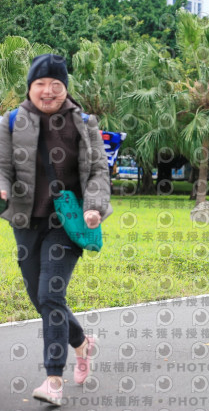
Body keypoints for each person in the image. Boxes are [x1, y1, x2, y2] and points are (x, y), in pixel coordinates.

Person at [0, 54, 112, 406]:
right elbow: (1, 166)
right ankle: (81, 341)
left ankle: (53, 380)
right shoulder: (11, 122)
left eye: (56, 85)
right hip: (26, 220)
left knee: (50, 294)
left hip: (67, 221)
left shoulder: (84, 123)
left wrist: (94, 206)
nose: (48, 91)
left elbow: (98, 170)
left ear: (65, 88)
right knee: (40, 297)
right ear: (30, 87)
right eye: (40, 84)